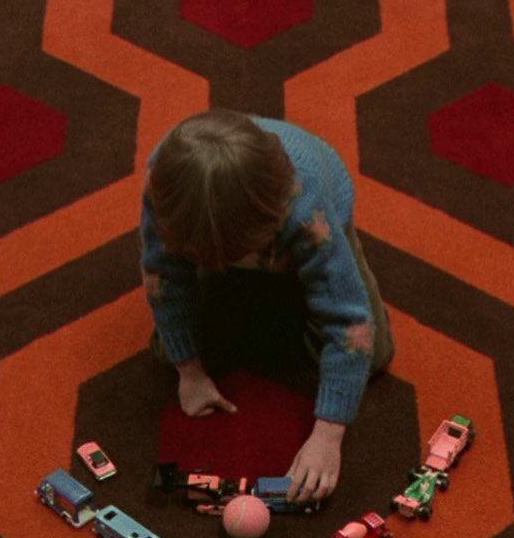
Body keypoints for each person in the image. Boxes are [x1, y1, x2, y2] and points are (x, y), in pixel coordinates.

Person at [141, 109, 393, 505]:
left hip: (309, 235)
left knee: (374, 354)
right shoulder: (165, 183)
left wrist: (328, 434)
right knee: (166, 352)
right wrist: (188, 371)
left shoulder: (306, 208)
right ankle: (247, 283)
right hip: (230, 234)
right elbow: (164, 275)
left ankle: (285, 284)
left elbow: (349, 321)